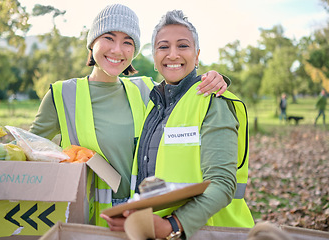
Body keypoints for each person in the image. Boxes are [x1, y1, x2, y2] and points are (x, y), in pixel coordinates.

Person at [29, 4, 229, 227]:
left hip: (138, 222)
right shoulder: (62, 95)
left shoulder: (147, 91)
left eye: (128, 42)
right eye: (109, 38)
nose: (117, 50)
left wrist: (214, 79)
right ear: (92, 41)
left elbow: (181, 83)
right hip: (85, 223)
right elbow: (29, 153)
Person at [100, 9, 254, 239]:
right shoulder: (154, 106)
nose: (172, 54)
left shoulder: (213, 102)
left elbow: (222, 184)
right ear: (154, 56)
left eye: (183, 46)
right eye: (163, 47)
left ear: (197, 55)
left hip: (209, 232)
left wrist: (172, 224)